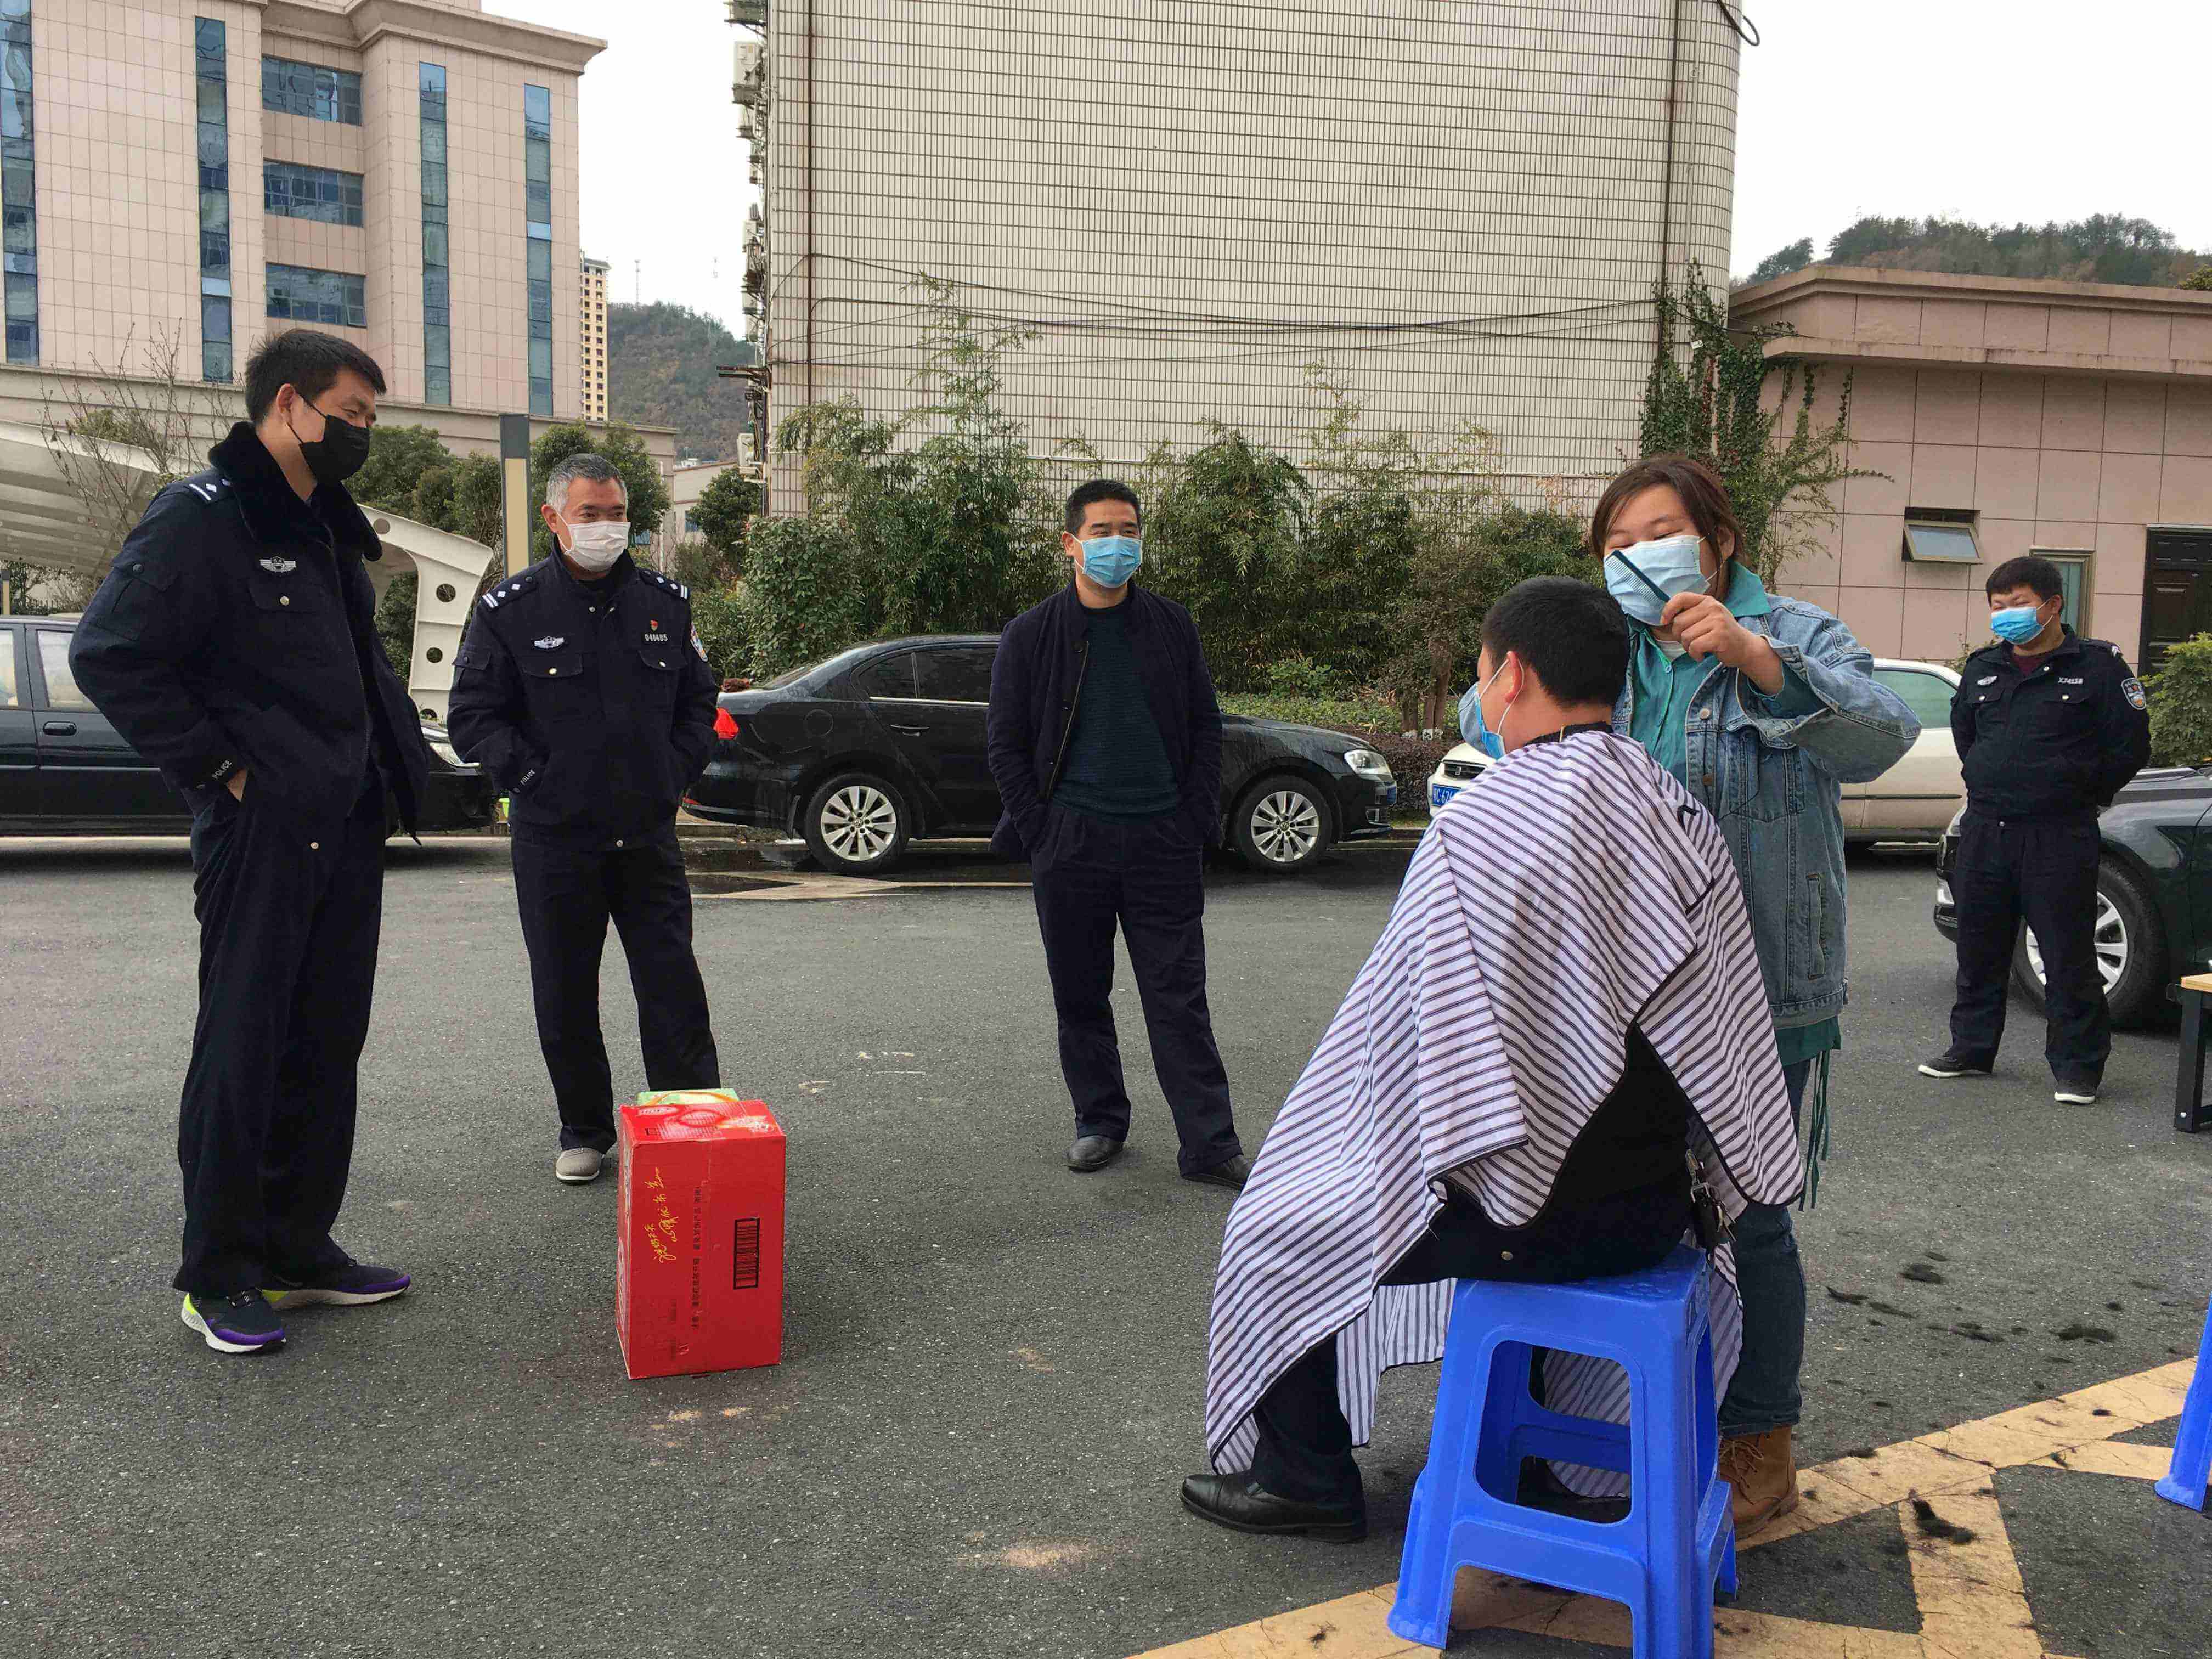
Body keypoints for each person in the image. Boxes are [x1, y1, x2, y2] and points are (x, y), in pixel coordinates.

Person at [1184, 577, 1805, 1540]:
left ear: (1510, 675)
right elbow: (1710, 1041)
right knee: (1524, 1145)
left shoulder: (1481, 825)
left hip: (1523, 1222)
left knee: (1276, 1220)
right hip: (1653, 1211)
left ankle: (1303, 1480)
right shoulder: (1677, 813)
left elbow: (1407, 1057)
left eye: (1482, 674)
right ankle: (1543, 1451)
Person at [1532, 453, 1920, 1534]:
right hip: (1617, 989)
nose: (1638, 556)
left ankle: (1760, 1440)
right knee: (1614, 1202)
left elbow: (1883, 735)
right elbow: (1492, 711)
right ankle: (1616, 1424)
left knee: (1749, 1219)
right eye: (1616, 544)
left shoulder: (1794, 632)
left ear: (1720, 541)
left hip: (1759, 988)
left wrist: (1757, 659)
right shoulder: (1605, 652)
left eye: (1661, 532)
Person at [69, 329, 431, 1355]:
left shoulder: (327, 527)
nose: (362, 433)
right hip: (261, 827)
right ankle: (219, 1271)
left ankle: (296, 1249)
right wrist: (221, 769)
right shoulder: (202, 516)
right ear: (287, 404)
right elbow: (109, 653)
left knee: (325, 1041)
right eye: (350, 413)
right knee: (244, 1043)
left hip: (343, 821)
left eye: (370, 417)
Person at [447, 453, 723, 1184]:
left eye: (616, 514)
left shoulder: (666, 604)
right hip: (555, 841)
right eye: (589, 514)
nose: (605, 527)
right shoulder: (510, 611)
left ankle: (688, 1120)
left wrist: (673, 773)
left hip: (646, 836)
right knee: (565, 989)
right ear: (554, 518)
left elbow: (699, 702)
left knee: (671, 983)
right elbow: (472, 717)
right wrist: (534, 780)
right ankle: (585, 1129)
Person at [986, 479, 1250, 1189]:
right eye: (1101, 531)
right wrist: (1041, 830)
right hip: (1071, 844)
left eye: (1128, 530)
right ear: (1070, 543)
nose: (1117, 543)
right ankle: (1099, 1121)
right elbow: (1005, 743)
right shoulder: (1032, 634)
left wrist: (1192, 819)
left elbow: (1204, 726)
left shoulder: (1171, 625)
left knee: (1179, 998)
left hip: (1163, 843)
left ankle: (1210, 1144)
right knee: (1081, 994)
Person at [1921, 556, 2150, 1104]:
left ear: (2053, 605)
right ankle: (1972, 1048)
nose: (2007, 615)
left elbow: (2130, 747)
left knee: (2067, 953)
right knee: (1979, 948)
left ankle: (2078, 1067)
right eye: (1997, 606)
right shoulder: (1983, 668)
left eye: (2019, 604)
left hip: (2058, 833)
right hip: (1986, 829)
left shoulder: (2098, 667)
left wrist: (2078, 789)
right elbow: (1968, 736)